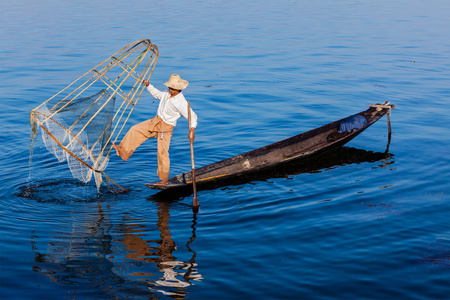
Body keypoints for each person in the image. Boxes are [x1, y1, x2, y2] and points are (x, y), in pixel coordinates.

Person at [113, 74, 198, 186]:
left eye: (172, 88)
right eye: (169, 87)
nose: (170, 89)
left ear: (178, 89)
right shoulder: (167, 94)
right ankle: (122, 151)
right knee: (135, 129)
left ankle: (164, 180)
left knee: (162, 153)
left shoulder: (181, 102)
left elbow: (193, 116)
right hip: (155, 121)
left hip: (165, 128)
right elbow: (157, 94)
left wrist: (192, 131)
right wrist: (148, 85)